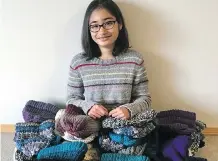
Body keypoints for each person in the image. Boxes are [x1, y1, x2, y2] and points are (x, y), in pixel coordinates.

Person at [66, 0, 151, 120]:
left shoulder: (135, 60)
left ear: (120, 24)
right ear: (88, 29)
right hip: (90, 127)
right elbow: (71, 99)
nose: (102, 31)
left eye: (108, 23)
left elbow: (145, 99)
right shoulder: (78, 62)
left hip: (126, 128)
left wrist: (129, 110)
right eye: (95, 26)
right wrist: (88, 107)